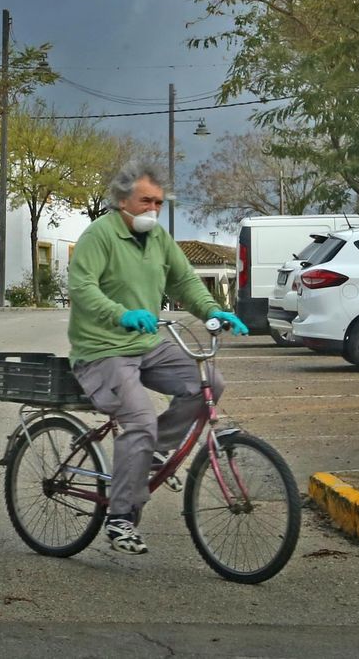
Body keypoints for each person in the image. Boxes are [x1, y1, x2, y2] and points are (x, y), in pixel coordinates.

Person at [66, 161, 249, 555]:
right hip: (102, 349)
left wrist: (212, 310)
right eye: (145, 200)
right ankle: (121, 517)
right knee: (140, 421)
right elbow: (81, 287)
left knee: (209, 385)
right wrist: (121, 313)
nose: (153, 209)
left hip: (146, 344)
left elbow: (184, 280)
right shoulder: (99, 236)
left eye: (159, 203)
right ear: (121, 201)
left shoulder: (159, 239)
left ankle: (152, 452)